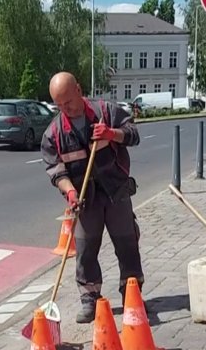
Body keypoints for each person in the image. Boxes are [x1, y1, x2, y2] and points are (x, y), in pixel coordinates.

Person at [40, 71, 145, 323]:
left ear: (79, 89)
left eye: (69, 101)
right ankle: (90, 299)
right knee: (86, 250)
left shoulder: (106, 112)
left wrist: (111, 134)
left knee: (127, 243)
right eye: (59, 104)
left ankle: (132, 295)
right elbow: (56, 171)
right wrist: (70, 191)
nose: (66, 108)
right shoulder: (54, 134)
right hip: (85, 198)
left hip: (116, 191)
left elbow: (134, 134)